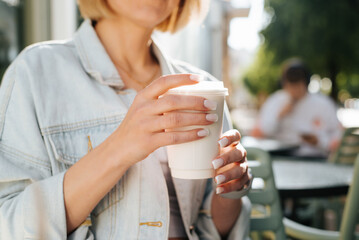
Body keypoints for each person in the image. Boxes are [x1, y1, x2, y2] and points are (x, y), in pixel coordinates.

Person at [0, 0, 252, 239]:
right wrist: (120, 147)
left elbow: (211, 229)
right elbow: (8, 225)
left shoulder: (202, 86)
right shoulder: (36, 72)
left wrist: (231, 191)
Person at [255, 59, 342, 157]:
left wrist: (320, 141)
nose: (294, 90)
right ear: (283, 84)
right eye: (291, 86)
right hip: (282, 158)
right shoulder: (275, 101)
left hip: (315, 157)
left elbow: (338, 135)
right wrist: (279, 115)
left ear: (306, 83)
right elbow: (258, 133)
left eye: (298, 85)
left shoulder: (324, 104)